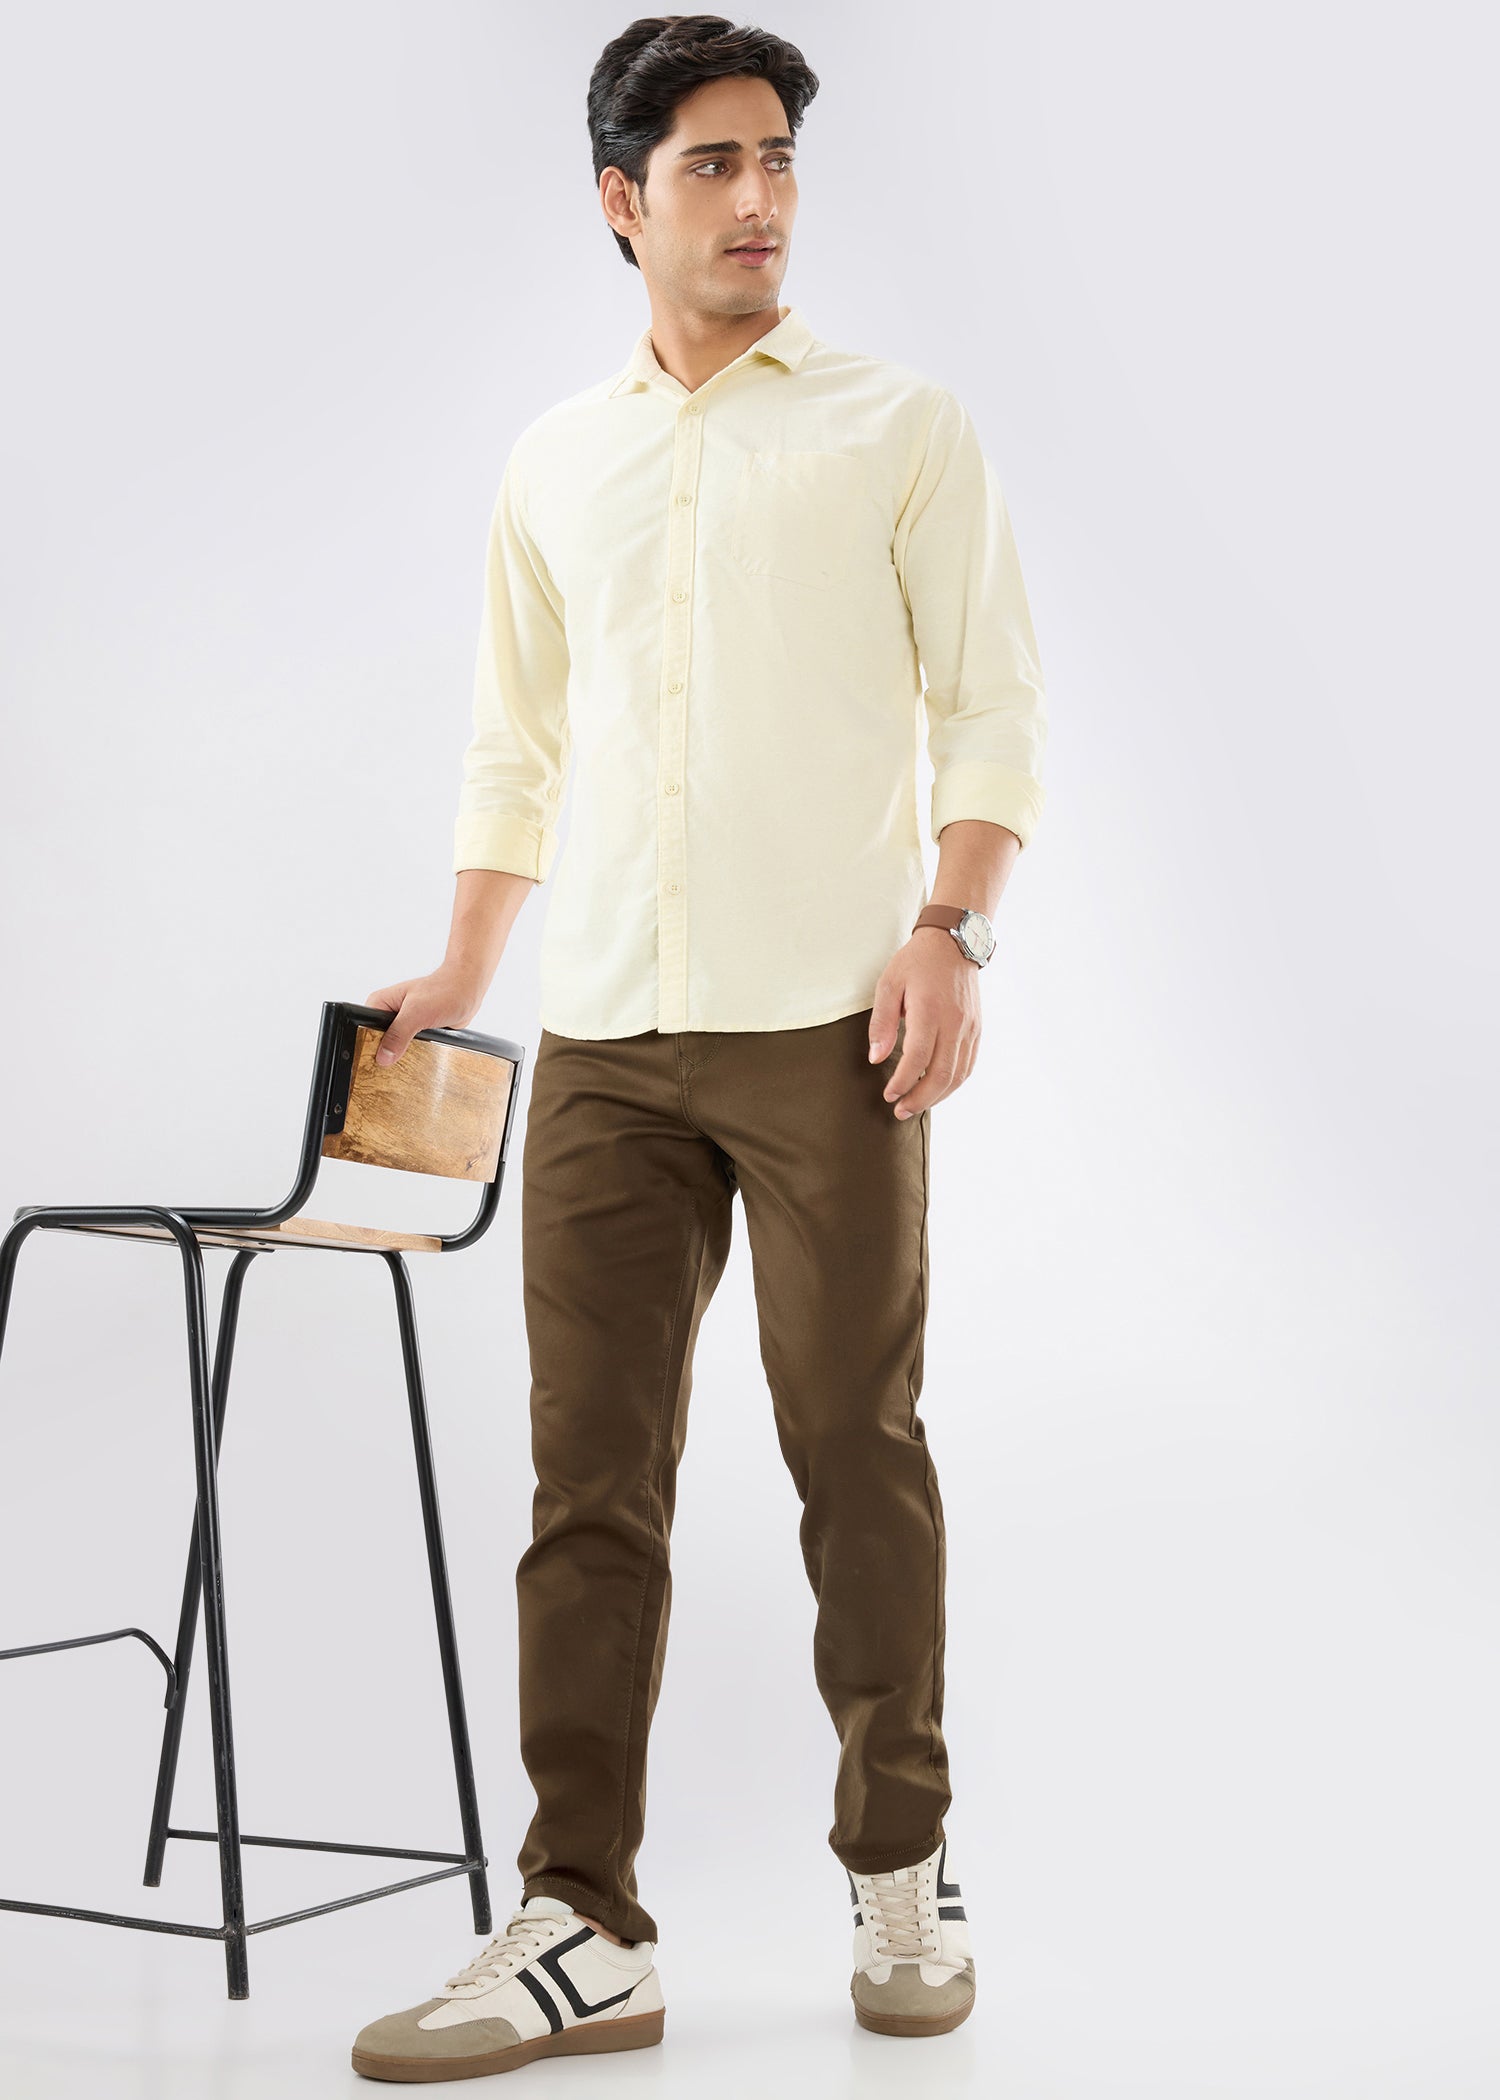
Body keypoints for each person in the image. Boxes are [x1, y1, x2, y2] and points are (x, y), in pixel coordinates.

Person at [350, 12, 1047, 2083]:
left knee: (854, 1453)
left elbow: (992, 707)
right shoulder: (554, 462)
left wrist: (952, 930)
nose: (760, 201)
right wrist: (464, 964)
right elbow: (514, 741)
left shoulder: (899, 427)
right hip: (603, 1045)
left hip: (834, 1032)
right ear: (620, 201)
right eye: (714, 165)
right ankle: (584, 1924)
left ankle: (900, 1864)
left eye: (779, 161)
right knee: (588, 1491)